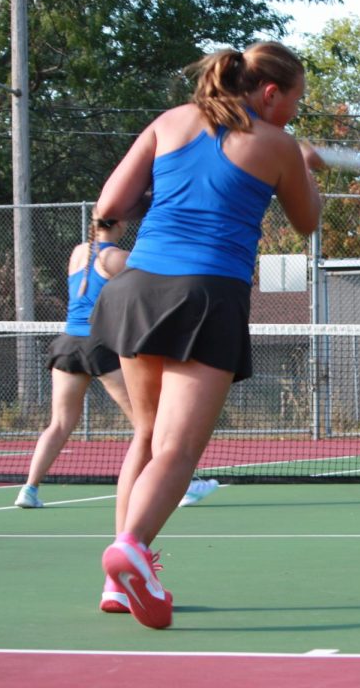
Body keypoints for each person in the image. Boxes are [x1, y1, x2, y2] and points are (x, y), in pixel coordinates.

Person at [88, 41, 323, 629]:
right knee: (178, 450)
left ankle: (117, 582)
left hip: (137, 289)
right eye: (295, 100)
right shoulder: (278, 144)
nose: (294, 111)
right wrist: (302, 164)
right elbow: (307, 221)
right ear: (271, 94)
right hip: (205, 295)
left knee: (146, 436)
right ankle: (132, 550)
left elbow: (109, 206)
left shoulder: (167, 123)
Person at [12, 217, 221, 611]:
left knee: (59, 424)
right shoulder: (115, 256)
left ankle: (30, 489)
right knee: (151, 427)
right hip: (99, 344)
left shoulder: (78, 253)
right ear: (120, 222)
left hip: (67, 343)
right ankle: (179, 483)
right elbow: (150, 282)